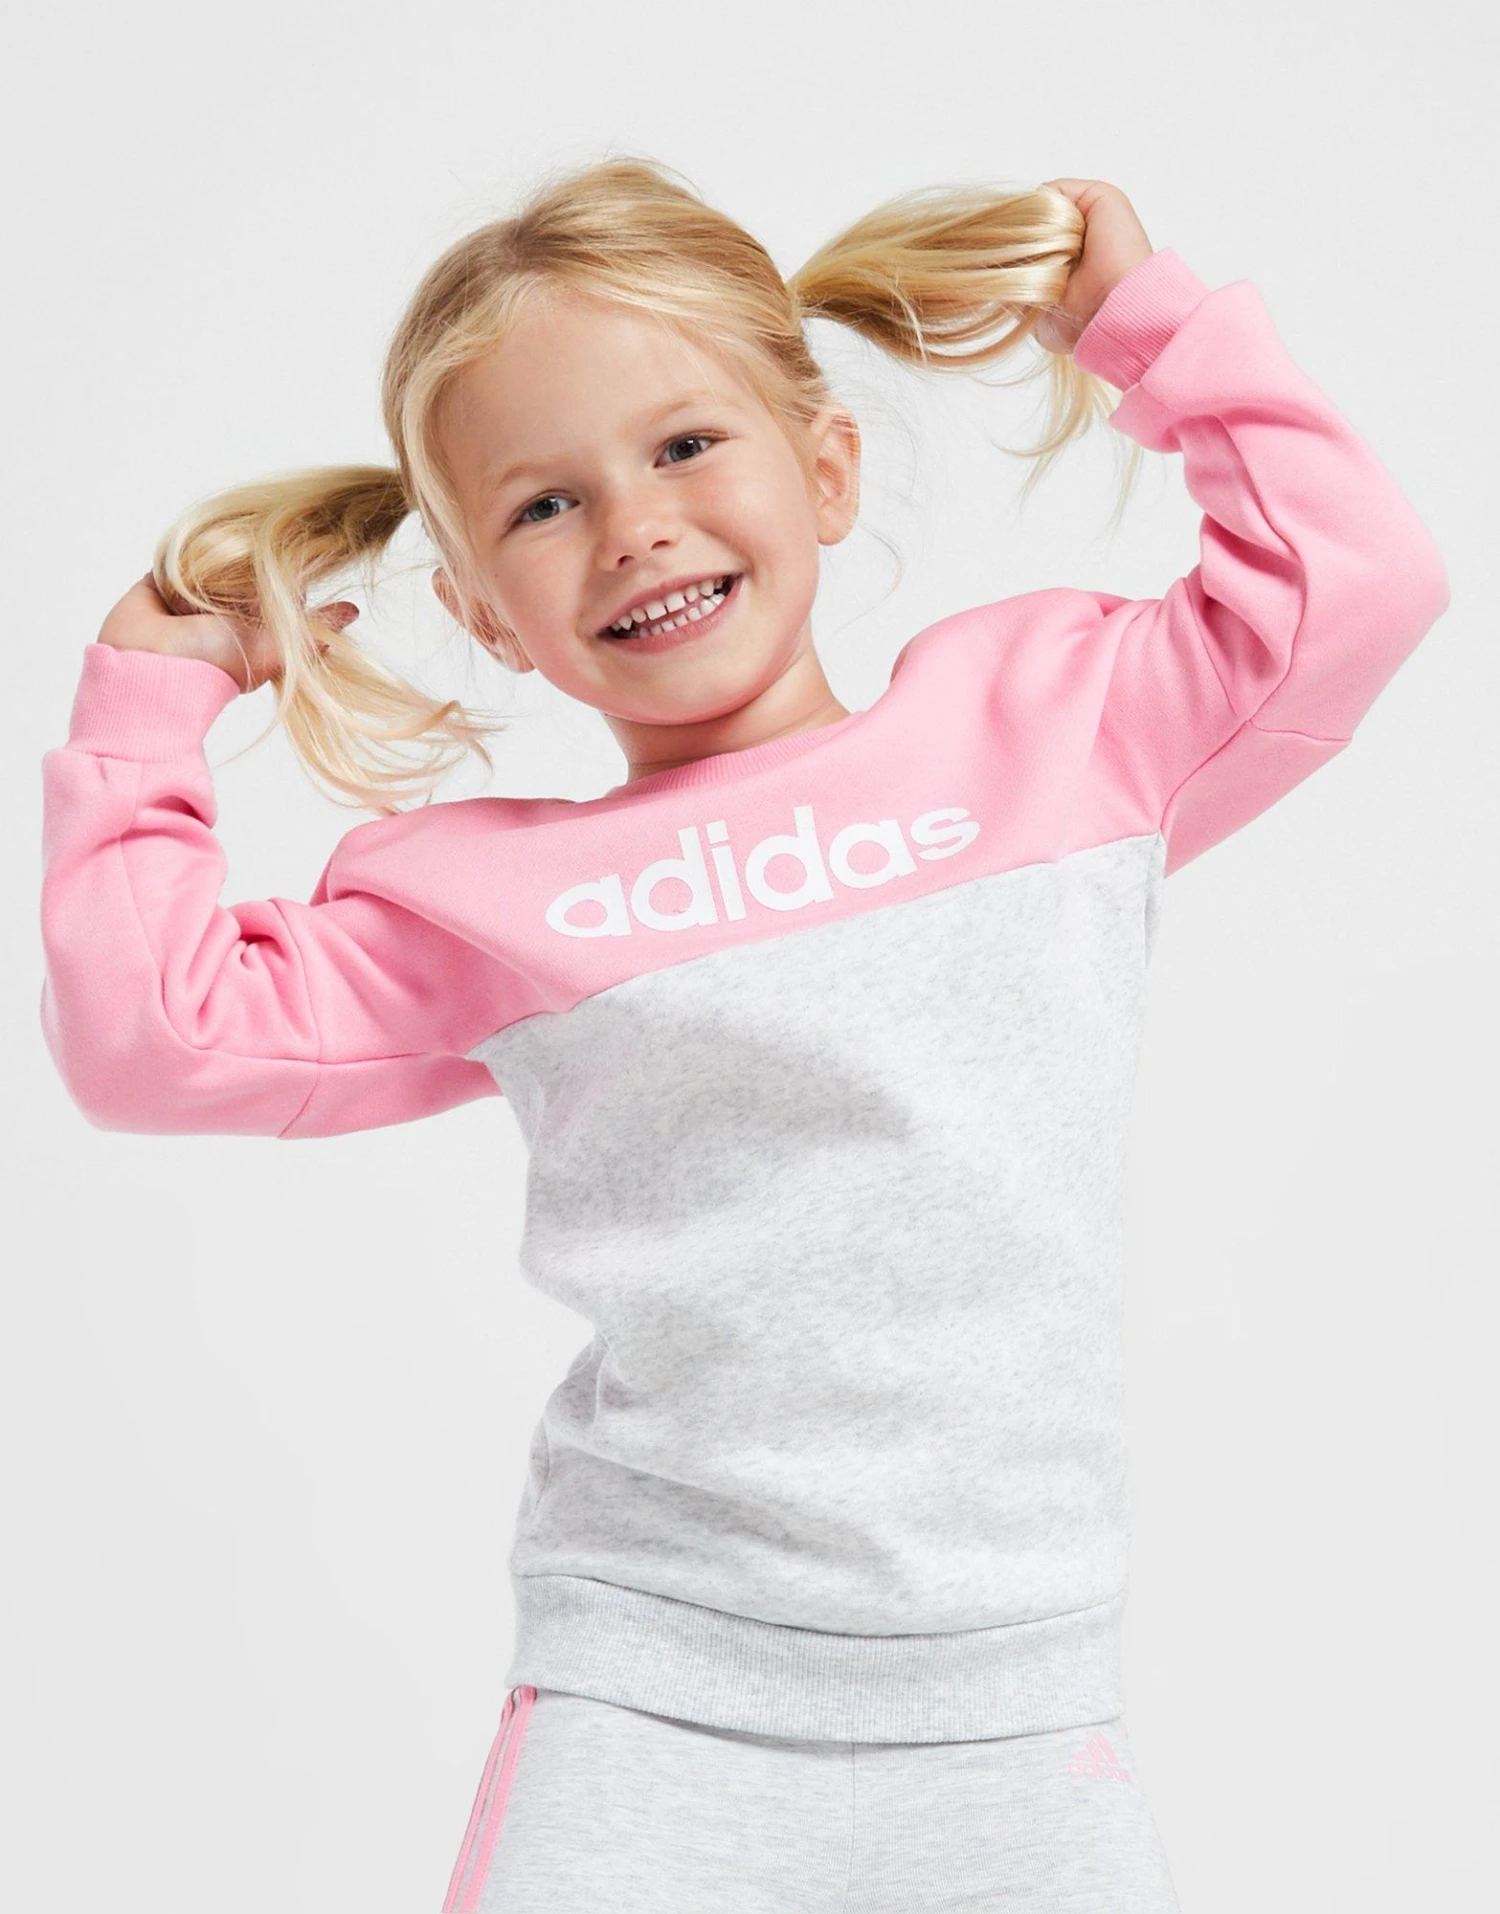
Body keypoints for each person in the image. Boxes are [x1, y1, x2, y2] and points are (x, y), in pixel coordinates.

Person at [39, 156, 1449, 1913]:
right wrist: (148, 710)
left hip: (1014, 1712)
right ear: (482, 611)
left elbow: (1355, 583)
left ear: (828, 466)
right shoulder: (492, 900)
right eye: (544, 504)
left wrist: (1147, 332)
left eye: (687, 445)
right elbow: (155, 1033)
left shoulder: (1055, 728)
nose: (632, 525)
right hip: (651, 1703)